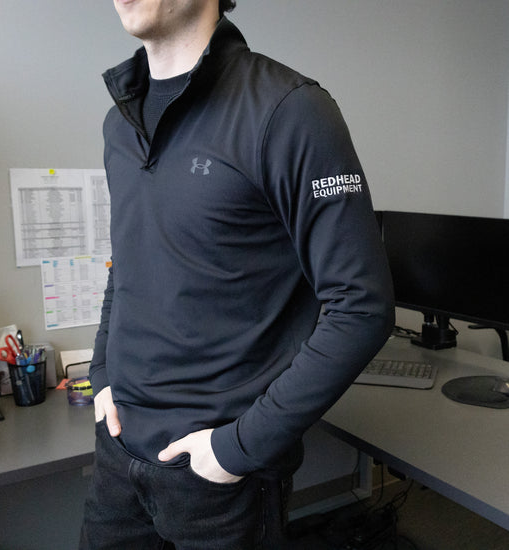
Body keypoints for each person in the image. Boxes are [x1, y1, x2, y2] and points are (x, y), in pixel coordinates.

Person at [80, 0, 395, 548]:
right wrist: (103, 372)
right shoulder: (120, 122)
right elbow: (126, 263)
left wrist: (236, 450)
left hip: (219, 478)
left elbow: (362, 307)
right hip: (118, 454)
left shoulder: (290, 109)